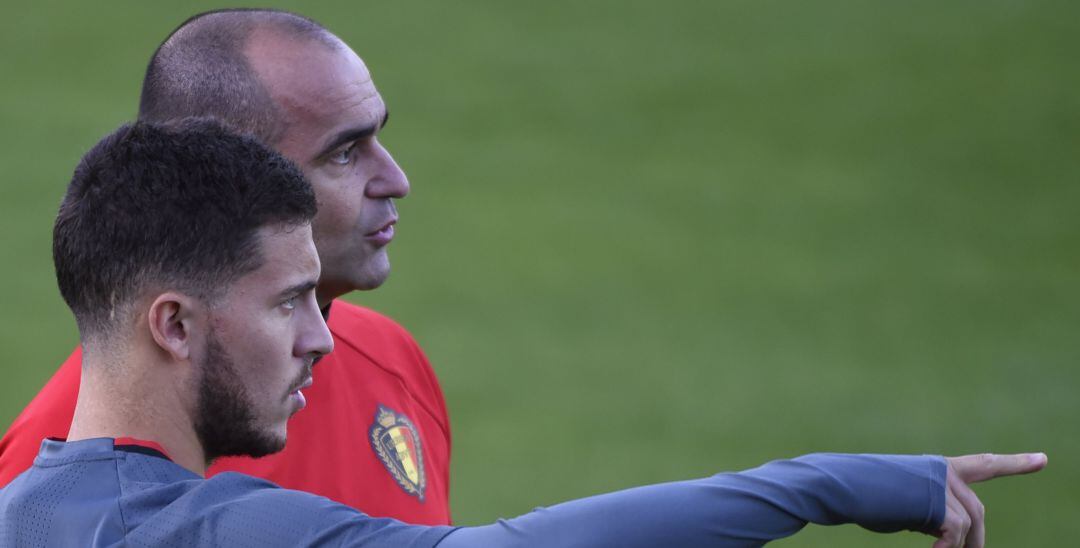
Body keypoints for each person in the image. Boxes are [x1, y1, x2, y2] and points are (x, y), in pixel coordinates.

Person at [0, 120, 1045, 547]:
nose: (323, 338)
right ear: (174, 323)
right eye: (287, 302)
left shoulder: (25, 507)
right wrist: (825, 484)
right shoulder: (200, 529)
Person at [0, 9, 450, 525]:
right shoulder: (58, 472)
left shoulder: (390, 360)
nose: (396, 179)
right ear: (233, 173)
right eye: (345, 153)